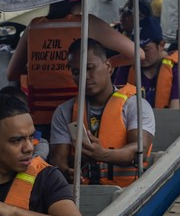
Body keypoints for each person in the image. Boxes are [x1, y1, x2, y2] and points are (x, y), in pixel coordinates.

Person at [6, 0, 142, 129]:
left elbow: (12, 74)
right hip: (76, 118)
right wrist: (101, 64)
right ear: (82, 0)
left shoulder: (33, 27)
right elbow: (138, 54)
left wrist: (43, 66)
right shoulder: (87, 24)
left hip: (38, 121)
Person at [49, 38, 155, 187]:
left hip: (128, 191)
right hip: (82, 194)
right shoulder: (64, 112)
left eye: (90, 68)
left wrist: (102, 154)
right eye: (76, 72)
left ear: (108, 67)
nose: (84, 77)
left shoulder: (135, 106)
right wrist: (67, 172)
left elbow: (140, 149)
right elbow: (57, 160)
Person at [113, 18, 180, 109]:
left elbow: (176, 114)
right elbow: (117, 105)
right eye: (136, 50)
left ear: (161, 45)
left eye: (146, 49)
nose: (141, 55)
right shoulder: (126, 67)